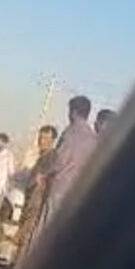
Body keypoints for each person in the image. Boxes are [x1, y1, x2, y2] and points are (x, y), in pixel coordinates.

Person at [39, 96, 98, 230]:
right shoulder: (93, 139)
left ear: (73, 112)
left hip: (60, 188)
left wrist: (44, 174)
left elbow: (59, 161)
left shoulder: (70, 132)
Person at [15, 125, 58, 264]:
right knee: (23, 235)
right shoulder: (42, 158)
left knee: (27, 235)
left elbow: (42, 179)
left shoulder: (51, 157)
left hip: (36, 202)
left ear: (52, 140)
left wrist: (38, 180)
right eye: (40, 138)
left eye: (45, 138)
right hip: (30, 200)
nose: (41, 141)